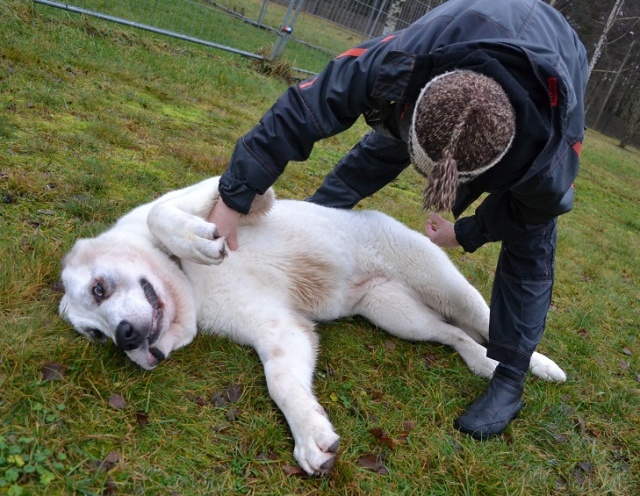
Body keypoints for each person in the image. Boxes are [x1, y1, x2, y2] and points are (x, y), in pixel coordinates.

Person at [208, 0, 588, 440]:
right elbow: (305, 110)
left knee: (530, 248)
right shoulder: (401, 60)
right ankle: (318, 218)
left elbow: (525, 215)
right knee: (379, 150)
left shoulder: (546, 156)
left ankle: (511, 374)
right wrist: (233, 196)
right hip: (458, 40)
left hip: (549, 77)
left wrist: (464, 232)